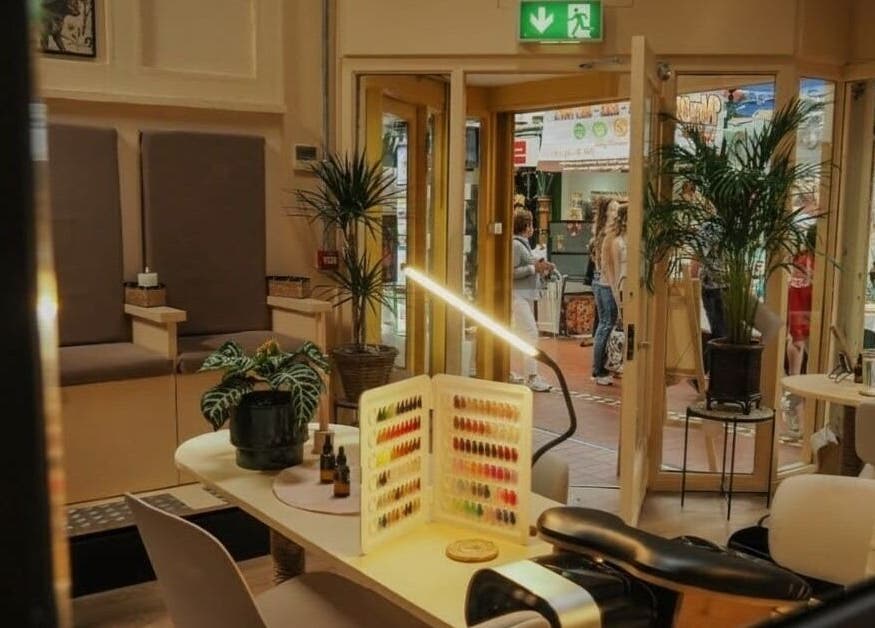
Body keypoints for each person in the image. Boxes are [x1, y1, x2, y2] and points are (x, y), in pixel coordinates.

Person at [511, 206, 554, 392]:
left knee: (520, 334)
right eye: (530, 225)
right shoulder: (516, 245)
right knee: (530, 333)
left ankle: (514, 371)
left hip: (525, 295)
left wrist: (542, 268)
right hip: (517, 296)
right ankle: (531, 376)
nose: (533, 228)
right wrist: (533, 268)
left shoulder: (523, 245)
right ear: (525, 226)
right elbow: (510, 272)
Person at [590, 198, 620, 386]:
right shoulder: (606, 235)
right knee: (606, 324)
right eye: (613, 209)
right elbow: (605, 264)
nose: (616, 213)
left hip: (602, 282)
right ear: (606, 213)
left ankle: (602, 366)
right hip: (605, 284)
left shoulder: (604, 234)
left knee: (606, 324)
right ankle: (598, 369)